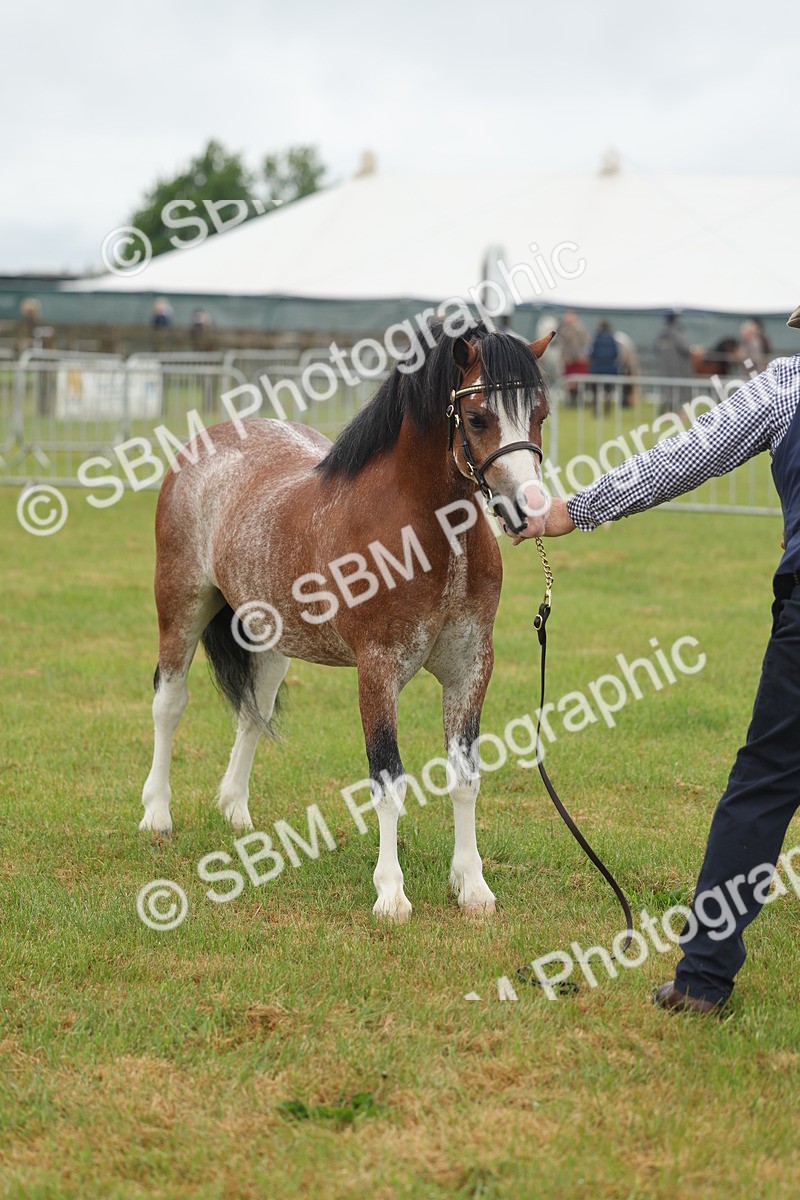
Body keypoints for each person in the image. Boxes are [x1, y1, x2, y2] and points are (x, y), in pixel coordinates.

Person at [538, 302, 800, 1015]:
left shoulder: (787, 385)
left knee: (767, 782)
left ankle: (703, 978)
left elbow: (684, 456)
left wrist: (579, 507)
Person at [655, 311, 693, 414]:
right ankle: (674, 413)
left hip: (666, 369)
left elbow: (656, 348)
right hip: (679, 370)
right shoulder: (677, 333)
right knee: (679, 394)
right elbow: (686, 348)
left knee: (668, 393)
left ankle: (668, 412)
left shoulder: (662, 334)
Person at [557, 310, 590, 404]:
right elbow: (561, 343)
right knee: (569, 382)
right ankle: (571, 400)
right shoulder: (563, 329)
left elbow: (585, 343)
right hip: (568, 360)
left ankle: (579, 400)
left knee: (579, 381)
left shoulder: (580, 329)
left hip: (578, 360)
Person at [588, 320, 619, 410]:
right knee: (608, 390)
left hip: (597, 369)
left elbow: (591, 353)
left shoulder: (596, 338)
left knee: (595, 390)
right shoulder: (612, 338)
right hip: (610, 369)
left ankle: (595, 407)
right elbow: (616, 353)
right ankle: (607, 405)